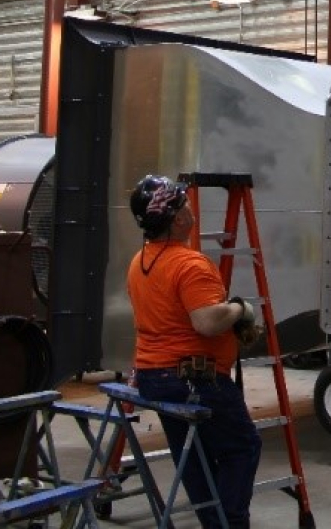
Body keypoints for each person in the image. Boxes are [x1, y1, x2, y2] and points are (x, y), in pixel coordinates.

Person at [126, 174, 262, 529]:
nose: (190, 207)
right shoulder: (189, 264)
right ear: (176, 218)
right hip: (193, 379)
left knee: (194, 457)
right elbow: (205, 322)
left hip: (154, 377)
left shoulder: (141, 261)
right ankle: (229, 523)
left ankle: (214, 522)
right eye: (183, 203)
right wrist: (239, 310)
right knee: (242, 447)